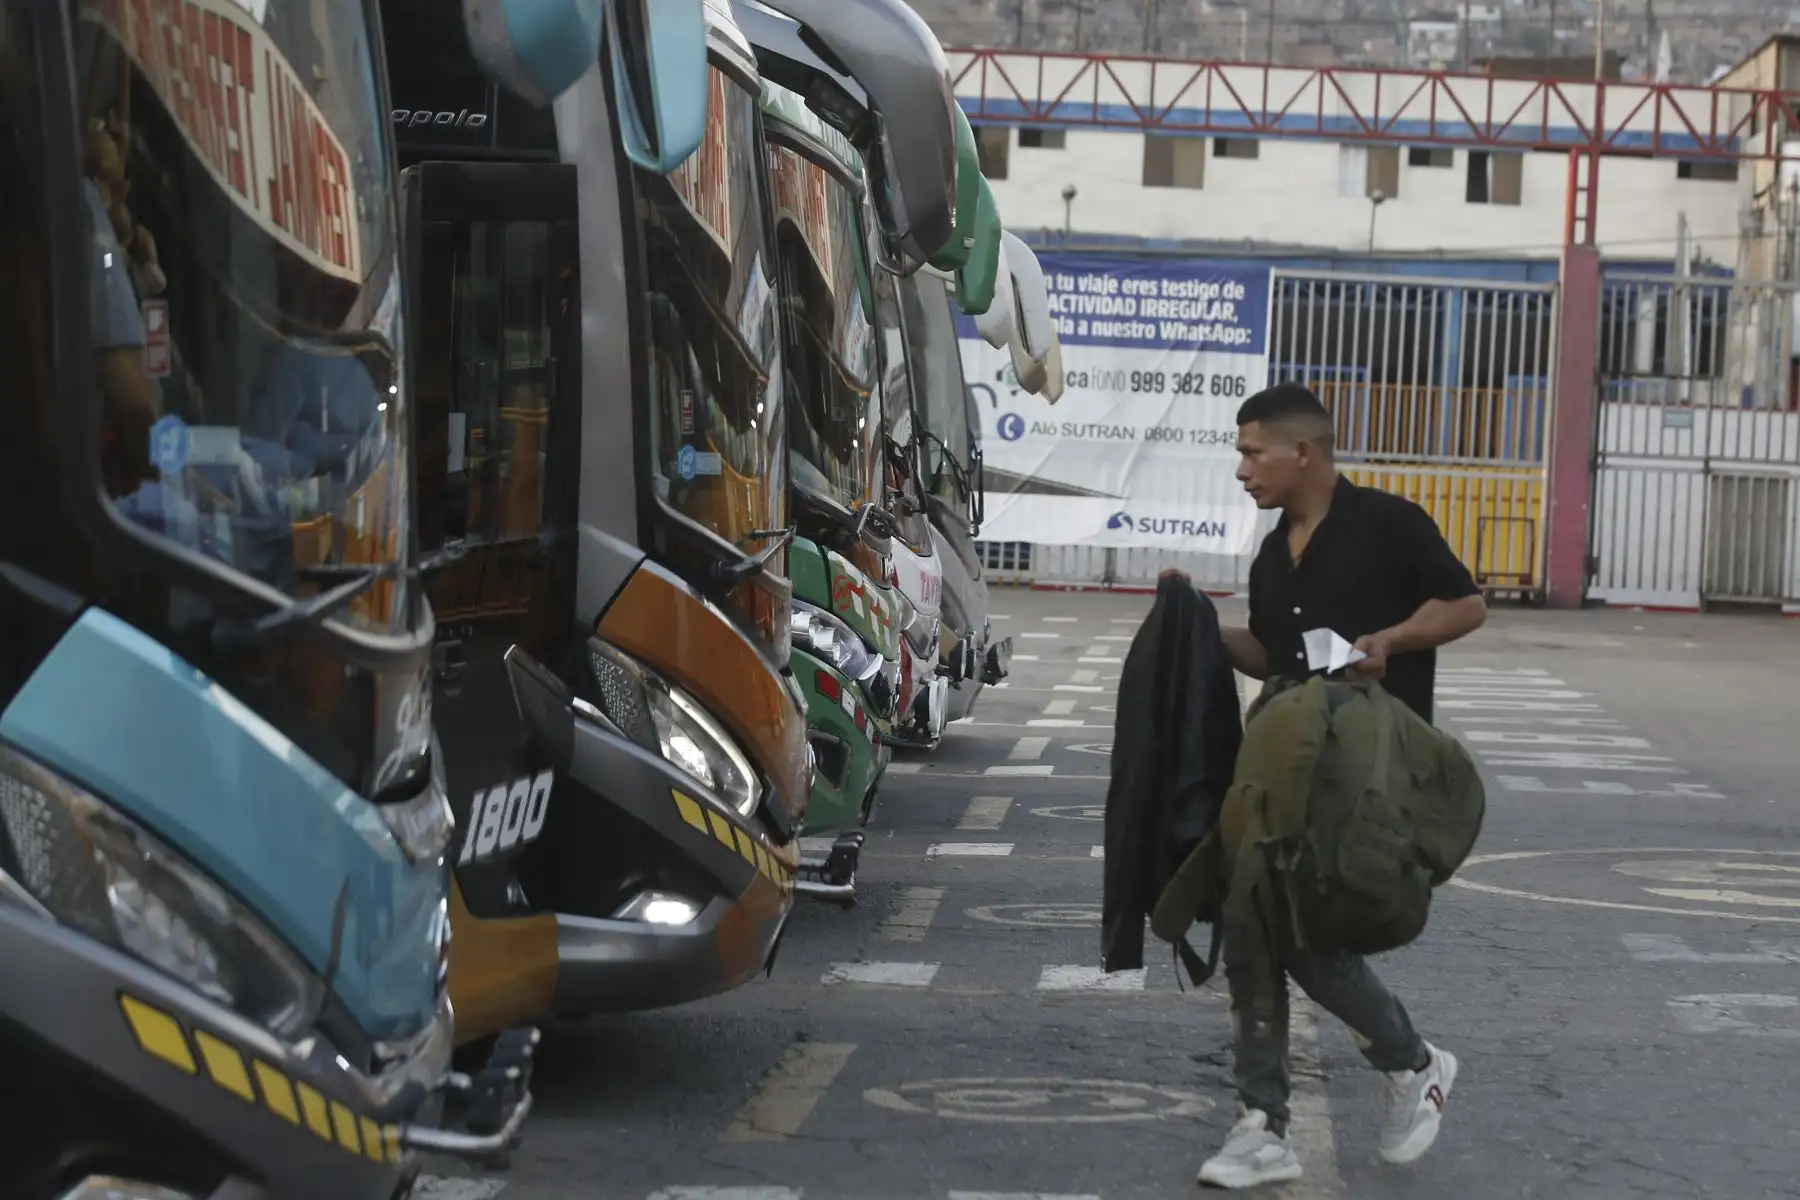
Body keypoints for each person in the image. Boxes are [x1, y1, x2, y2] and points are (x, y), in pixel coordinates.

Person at [1199, 381, 1488, 1190]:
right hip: (1287, 775)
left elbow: (1467, 605)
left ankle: (1410, 1060)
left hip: (1371, 780)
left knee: (1298, 930)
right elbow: (1272, 655)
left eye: (1253, 453)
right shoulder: (1270, 555)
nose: (1242, 470)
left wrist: (1392, 639)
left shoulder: (1387, 524)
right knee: (1253, 916)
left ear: (1304, 453)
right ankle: (1264, 1122)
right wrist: (1197, 626)